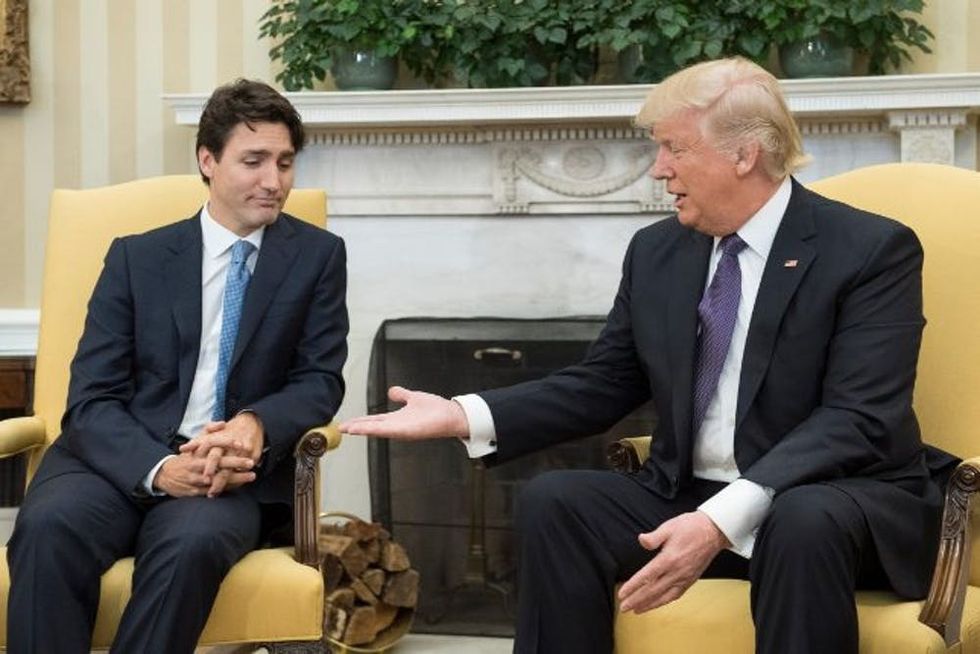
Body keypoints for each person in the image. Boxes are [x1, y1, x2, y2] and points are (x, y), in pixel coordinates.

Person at [341, 57, 957, 654]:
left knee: (801, 518)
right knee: (555, 503)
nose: (659, 169)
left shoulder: (870, 250)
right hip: (690, 490)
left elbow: (857, 418)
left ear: (745, 155)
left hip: (835, 498)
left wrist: (720, 520)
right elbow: (606, 381)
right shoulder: (659, 251)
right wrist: (463, 414)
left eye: (675, 149)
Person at [6, 79, 348, 653]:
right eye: (255, 161)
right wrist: (160, 466)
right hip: (113, 465)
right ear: (208, 161)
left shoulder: (316, 256)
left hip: (231, 477)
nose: (274, 181)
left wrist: (255, 426)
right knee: (48, 528)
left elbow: (319, 379)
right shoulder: (135, 257)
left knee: (189, 548)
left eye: (286, 163)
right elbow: (90, 398)